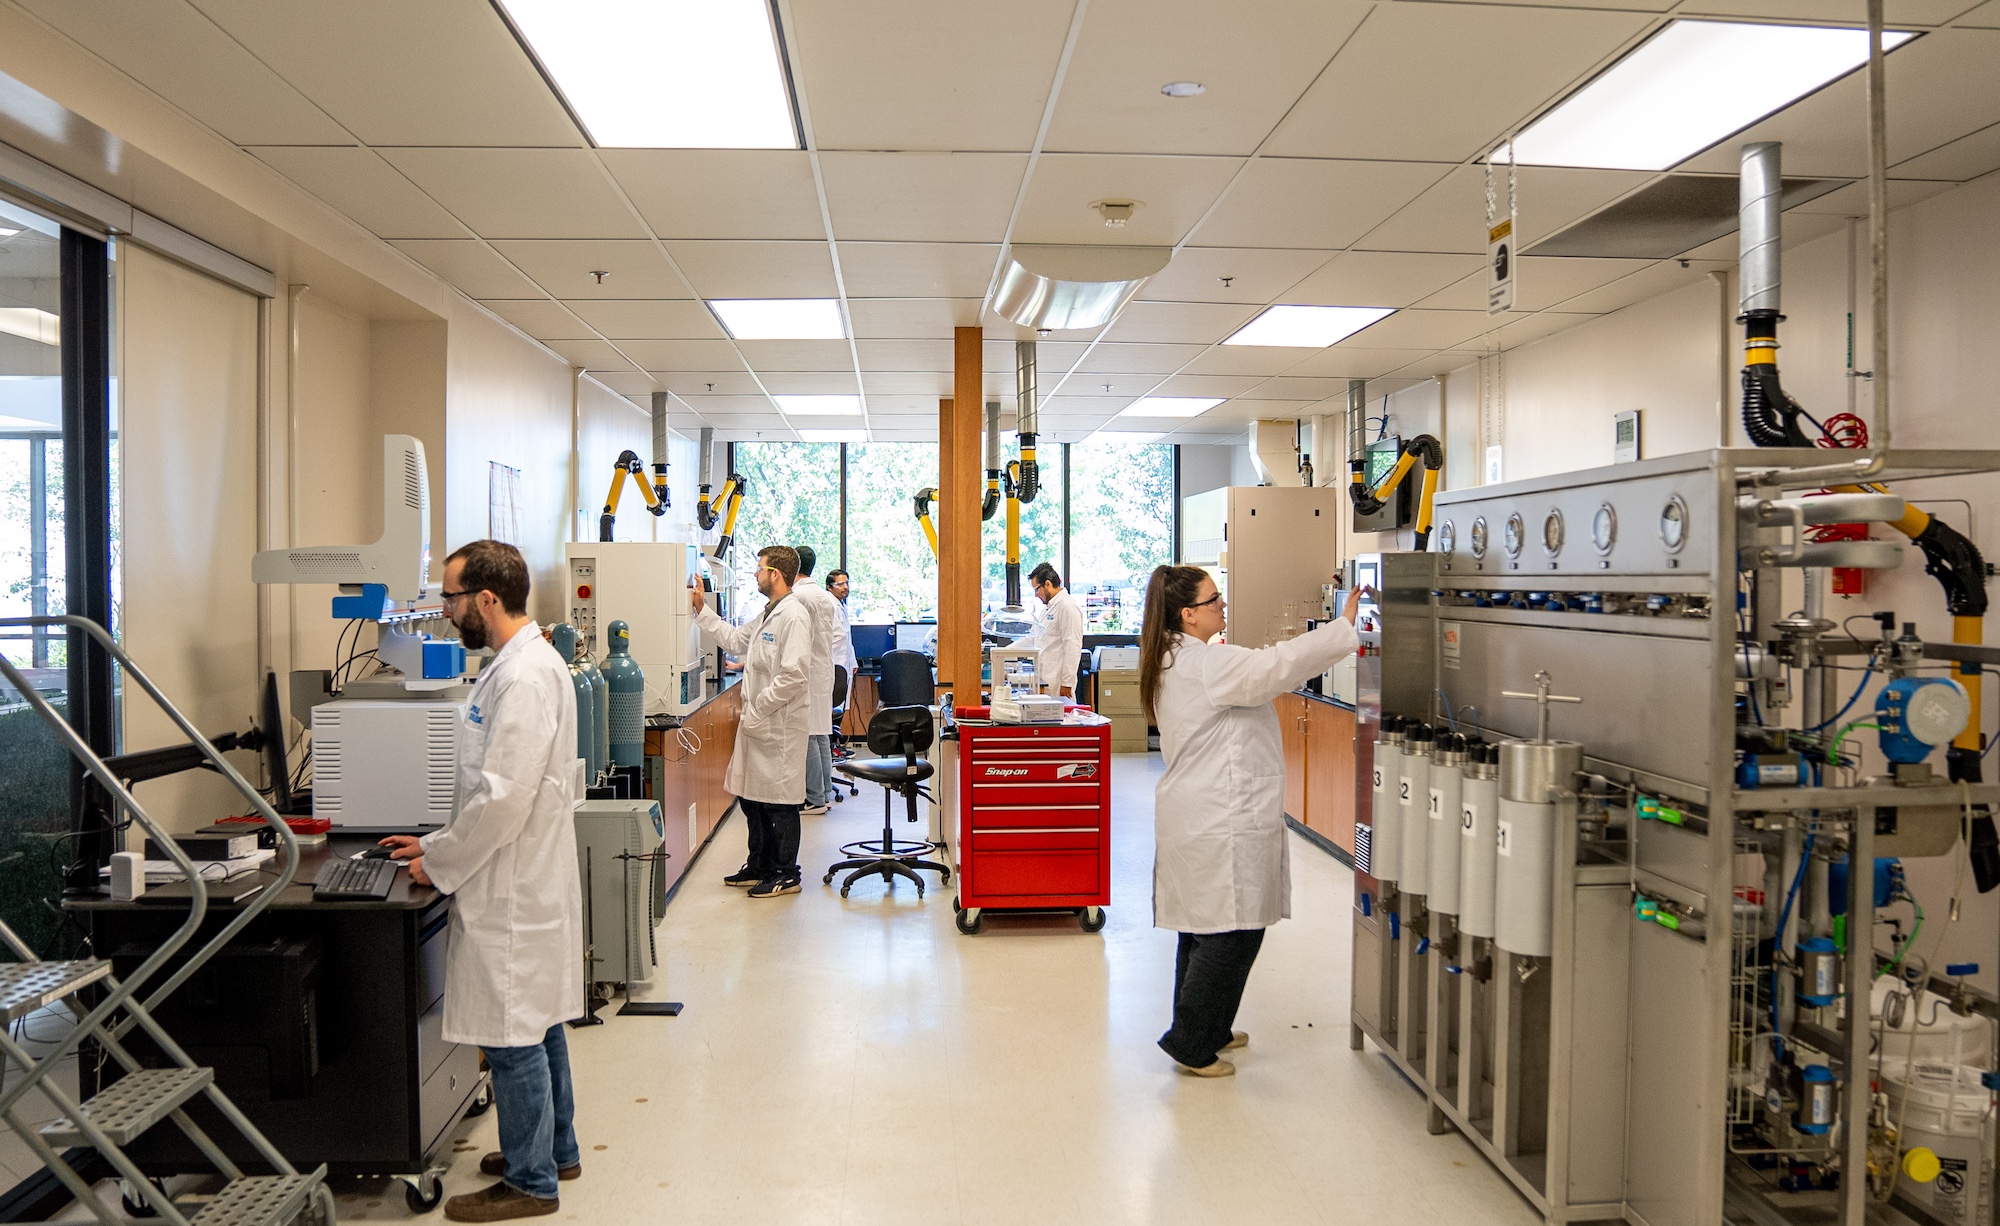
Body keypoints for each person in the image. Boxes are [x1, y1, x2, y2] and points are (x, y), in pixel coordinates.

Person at [380, 540, 583, 1221]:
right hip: (523, 874)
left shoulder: (524, 676)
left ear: (486, 600)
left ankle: (532, 1183)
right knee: (540, 1018)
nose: (445, 611)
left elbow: (500, 799)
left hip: (513, 882)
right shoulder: (522, 665)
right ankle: (557, 1149)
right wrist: (436, 842)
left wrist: (437, 862)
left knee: (512, 1032)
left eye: (451, 598)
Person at [1138, 564, 1363, 1078]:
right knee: (1232, 933)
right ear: (1188, 614)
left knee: (1204, 929)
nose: (1223, 605)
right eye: (1213, 599)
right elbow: (1276, 666)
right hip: (1221, 816)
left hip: (1205, 813)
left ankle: (1207, 1029)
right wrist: (1342, 627)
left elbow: (1264, 671)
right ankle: (1192, 1043)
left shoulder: (1179, 657)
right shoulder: (1204, 665)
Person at [690, 545, 812, 897]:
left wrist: (759, 707)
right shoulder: (767, 615)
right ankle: (760, 863)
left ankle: (787, 872)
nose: (756, 575)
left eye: (759, 569)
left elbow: (793, 676)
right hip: (759, 725)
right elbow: (735, 640)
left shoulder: (794, 617)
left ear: (775, 574)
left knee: (781, 802)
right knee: (751, 797)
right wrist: (702, 610)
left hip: (778, 726)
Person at [789, 545, 841, 815]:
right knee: (821, 732)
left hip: (808, 670)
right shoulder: (821, 595)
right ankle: (824, 792)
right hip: (823, 669)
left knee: (810, 734)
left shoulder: (797, 596)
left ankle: (814, 799)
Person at [1018, 562, 1084, 698]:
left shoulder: (1067, 607)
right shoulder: (1048, 608)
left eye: (1037, 589)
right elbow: (1031, 639)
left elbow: (1072, 646)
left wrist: (1067, 683)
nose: (1036, 594)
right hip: (1044, 681)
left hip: (1058, 684)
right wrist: (1001, 653)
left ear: (1047, 584)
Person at [825, 569, 857, 760]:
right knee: (831, 708)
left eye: (847, 583)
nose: (845, 587)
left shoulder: (840, 604)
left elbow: (847, 638)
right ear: (830, 586)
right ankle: (831, 748)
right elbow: (836, 638)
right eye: (840, 584)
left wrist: (852, 661)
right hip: (834, 665)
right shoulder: (829, 605)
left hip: (843, 664)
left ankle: (836, 746)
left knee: (839, 707)